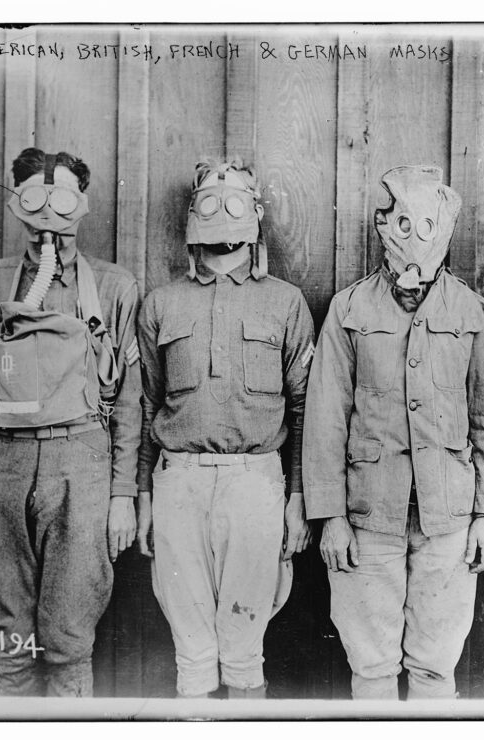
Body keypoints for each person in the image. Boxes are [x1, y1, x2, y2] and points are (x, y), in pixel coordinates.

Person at [0, 147, 142, 697]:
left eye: (62, 199)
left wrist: (123, 494)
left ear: (82, 205)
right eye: (34, 198)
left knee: (69, 639)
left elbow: (129, 401)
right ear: (17, 204)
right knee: (12, 643)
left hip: (82, 464)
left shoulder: (116, 288)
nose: (48, 218)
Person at [303, 165, 484, 700]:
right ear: (383, 226)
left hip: (449, 519)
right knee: (371, 669)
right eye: (404, 223)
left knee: (436, 668)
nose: (418, 237)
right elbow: (324, 421)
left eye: (430, 224)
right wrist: (331, 519)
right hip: (369, 517)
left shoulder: (470, 311)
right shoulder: (349, 310)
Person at [135, 160, 315, 699]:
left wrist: (299, 497)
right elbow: (146, 406)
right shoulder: (162, 303)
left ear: (255, 213)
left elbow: (306, 407)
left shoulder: (284, 301)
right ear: (192, 215)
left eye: (234, 201)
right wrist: (143, 495)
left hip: (256, 482)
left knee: (243, 649)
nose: (221, 213)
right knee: (191, 651)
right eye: (209, 202)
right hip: (179, 483)